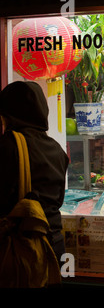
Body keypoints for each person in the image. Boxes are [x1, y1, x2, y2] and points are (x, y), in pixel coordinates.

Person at [0, 81, 69, 263]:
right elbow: (58, 199)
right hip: (55, 245)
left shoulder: (8, 145)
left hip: (22, 249)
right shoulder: (56, 149)